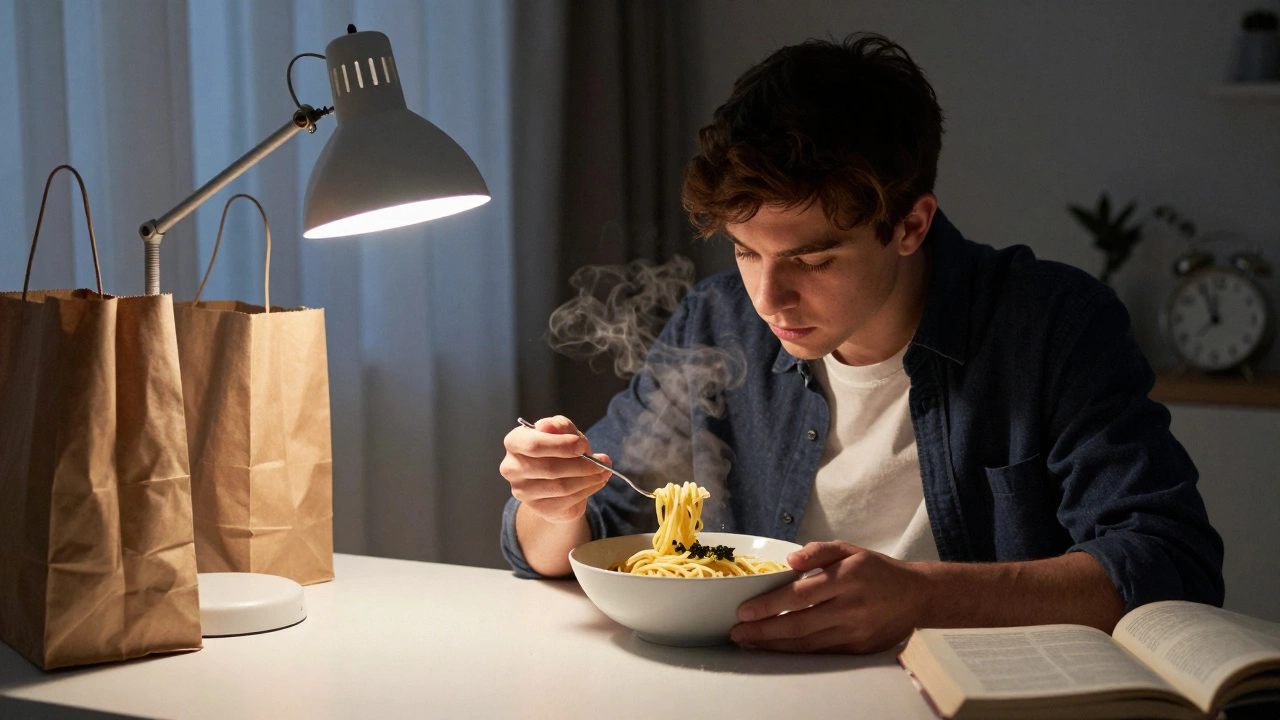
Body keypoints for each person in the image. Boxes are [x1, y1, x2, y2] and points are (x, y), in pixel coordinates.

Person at [498, 34, 1224, 654]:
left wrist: (925, 598)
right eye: (748, 252)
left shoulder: (1052, 325)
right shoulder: (716, 323)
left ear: (911, 225)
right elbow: (577, 543)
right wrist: (554, 502)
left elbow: (1168, 563)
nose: (769, 298)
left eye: (813, 260)